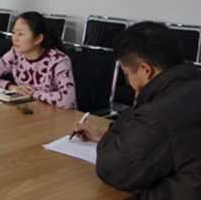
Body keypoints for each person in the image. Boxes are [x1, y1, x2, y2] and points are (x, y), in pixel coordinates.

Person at [72, 21, 201, 198]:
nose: (128, 80)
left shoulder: (157, 113)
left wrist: (138, 103)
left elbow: (111, 169)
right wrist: (107, 130)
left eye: (127, 74)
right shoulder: (191, 84)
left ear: (145, 70)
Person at [0, 12, 76, 109]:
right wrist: (11, 87)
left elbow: (67, 101)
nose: (15, 38)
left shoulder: (59, 60)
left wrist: (33, 94)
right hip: (28, 109)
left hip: (57, 115)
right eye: (14, 32)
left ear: (38, 39)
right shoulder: (15, 54)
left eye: (21, 34)